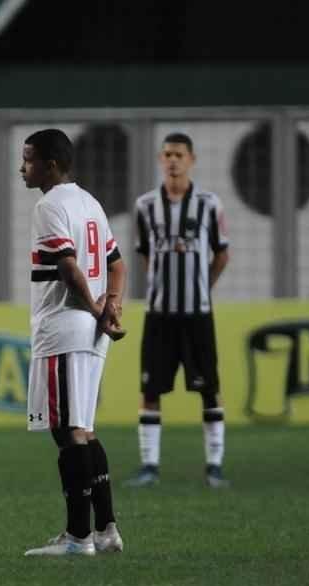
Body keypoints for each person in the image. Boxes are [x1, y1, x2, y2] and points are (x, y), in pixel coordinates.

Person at [19, 129, 127, 557]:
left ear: (49, 164)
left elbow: (67, 267)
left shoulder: (49, 205)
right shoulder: (90, 203)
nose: (21, 168)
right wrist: (111, 305)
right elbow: (116, 265)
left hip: (64, 327)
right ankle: (106, 530)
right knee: (84, 428)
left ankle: (77, 537)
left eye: (27, 160)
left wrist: (98, 308)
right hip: (92, 333)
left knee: (67, 432)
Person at [125, 133, 231, 488]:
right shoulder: (145, 206)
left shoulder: (209, 204)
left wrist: (202, 286)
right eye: (167, 154)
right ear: (160, 159)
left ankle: (214, 467)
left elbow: (222, 255)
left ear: (191, 159)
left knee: (209, 388)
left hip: (198, 314)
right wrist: (162, 286)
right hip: (159, 315)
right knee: (151, 390)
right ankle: (149, 467)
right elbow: (143, 254)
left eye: (179, 155)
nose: (173, 160)